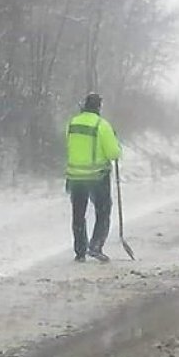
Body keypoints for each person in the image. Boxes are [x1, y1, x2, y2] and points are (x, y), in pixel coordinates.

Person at [65, 92, 121, 262]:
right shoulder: (102, 125)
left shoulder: (72, 123)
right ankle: (96, 246)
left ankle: (80, 251)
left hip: (75, 176)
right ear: (99, 107)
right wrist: (116, 144)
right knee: (103, 211)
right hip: (97, 177)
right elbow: (113, 153)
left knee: (78, 214)